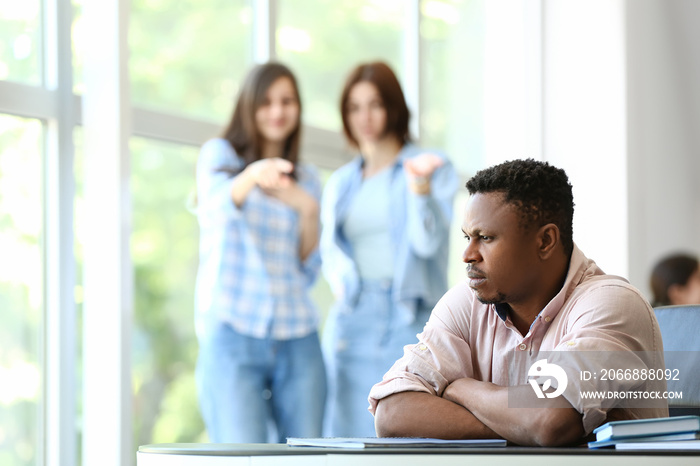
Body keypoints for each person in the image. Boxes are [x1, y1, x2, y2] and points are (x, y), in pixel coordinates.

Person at [370, 159, 668, 446]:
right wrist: (521, 424)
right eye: (467, 237)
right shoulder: (466, 302)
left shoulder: (612, 303)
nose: (468, 254)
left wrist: (463, 390)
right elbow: (391, 413)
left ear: (545, 241)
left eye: (485, 237)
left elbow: (549, 419)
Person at [320, 61, 459, 437]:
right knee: (345, 438)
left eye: (375, 104)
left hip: (408, 312)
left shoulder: (431, 167)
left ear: (394, 107)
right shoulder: (341, 183)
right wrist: (340, 283)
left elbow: (428, 243)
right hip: (352, 314)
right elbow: (330, 250)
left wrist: (419, 188)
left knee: (407, 437)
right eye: (354, 107)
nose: (364, 116)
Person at [194, 62, 326, 443]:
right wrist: (252, 174)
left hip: (297, 333)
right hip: (234, 330)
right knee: (241, 455)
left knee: (309, 454)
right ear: (249, 106)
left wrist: (309, 210)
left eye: (287, 101)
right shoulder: (219, 157)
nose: (277, 110)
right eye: (267, 101)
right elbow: (213, 212)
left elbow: (307, 267)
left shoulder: (308, 178)